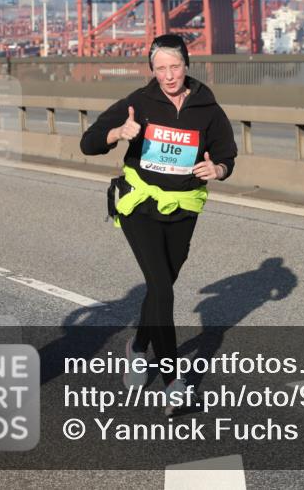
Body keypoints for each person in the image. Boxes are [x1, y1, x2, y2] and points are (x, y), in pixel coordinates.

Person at [80, 33, 236, 412]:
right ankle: (173, 381)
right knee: (163, 290)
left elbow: (228, 154)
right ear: (152, 70)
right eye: (161, 68)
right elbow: (89, 141)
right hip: (141, 205)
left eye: (175, 66)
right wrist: (119, 133)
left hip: (184, 207)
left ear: (187, 64)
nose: (169, 75)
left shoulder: (207, 107)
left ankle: (137, 345)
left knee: (161, 286)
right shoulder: (139, 103)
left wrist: (217, 167)